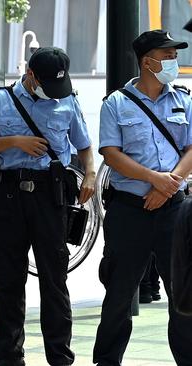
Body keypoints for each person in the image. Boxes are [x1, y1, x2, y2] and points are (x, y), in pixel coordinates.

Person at [0, 47, 96, 366]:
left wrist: (90, 175)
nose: (53, 93)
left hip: (51, 196)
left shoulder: (67, 99)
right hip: (11, 194)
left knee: (54, 278)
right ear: (30, 75)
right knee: (10, 278)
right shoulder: (0, 100)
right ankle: (8, 357)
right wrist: (15, 141)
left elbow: (83, 145)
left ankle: (60, 356)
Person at [93, 30, 192, 365]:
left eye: (174, 56)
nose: (173, 62)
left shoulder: (184, 100)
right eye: (167, 56)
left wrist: (170, 184)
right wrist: (154, 179)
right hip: (129, 210)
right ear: (147, 61)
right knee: (119, 295)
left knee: (183, 293)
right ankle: (107, 361)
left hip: (173, 211)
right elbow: (111, 153)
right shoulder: (116, 103)